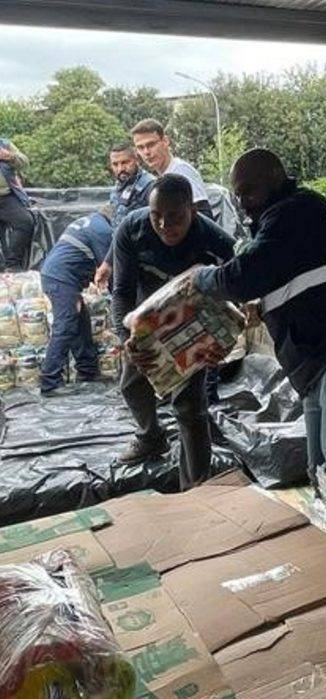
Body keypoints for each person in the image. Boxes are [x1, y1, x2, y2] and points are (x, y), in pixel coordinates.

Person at [187, 149, 326, 501]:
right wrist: (263, 306)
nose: (243, 202)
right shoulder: (276, 220)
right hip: (315, 362)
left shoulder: (295, 212)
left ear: (275, 179)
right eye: (237, 194)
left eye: (249, 191)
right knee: (320, 471)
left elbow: (241, 278)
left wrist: (199, 278)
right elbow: (293, 277)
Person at [111, 173, 235, 489]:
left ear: (192, 210)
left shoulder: (212, 237)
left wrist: (222, 338)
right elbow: (121, 291)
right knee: (131, 383)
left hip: (192, 324)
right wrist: (125, 338)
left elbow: (242, 278)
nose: (165, 225)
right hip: (144, 321)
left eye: (175, 217)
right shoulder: (131, 230)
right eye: (157, 216)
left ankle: (196, 488)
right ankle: (150, 436)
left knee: (190, 406)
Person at [39, 209, 113, 395]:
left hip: (58, 275)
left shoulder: (90, 221)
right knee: (65, 326)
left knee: (81, 322)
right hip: (61, 279)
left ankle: (87, 372)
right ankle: (49, 382)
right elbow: (110, 268)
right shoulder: (103, 230)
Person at [94, 142, 155, 290]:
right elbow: (118, 229)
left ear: (136, 160)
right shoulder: (117, 189)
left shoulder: (150, 186)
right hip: (124, 261)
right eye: (115, 164)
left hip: (148, 267)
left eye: (125, 162)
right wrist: (109, 262)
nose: (120, 168)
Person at [130, 119, 214, 220]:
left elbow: (204, 214)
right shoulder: (163, 176)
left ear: (165, 141)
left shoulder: (181, 171)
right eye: (140, 147)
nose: (146, 152)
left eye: (151, 145)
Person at [0, 136, 34, 271]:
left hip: (7, 196)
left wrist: (9, 156)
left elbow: (25, 162)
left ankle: (12, 264)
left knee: (25, 222)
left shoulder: (5, 144)